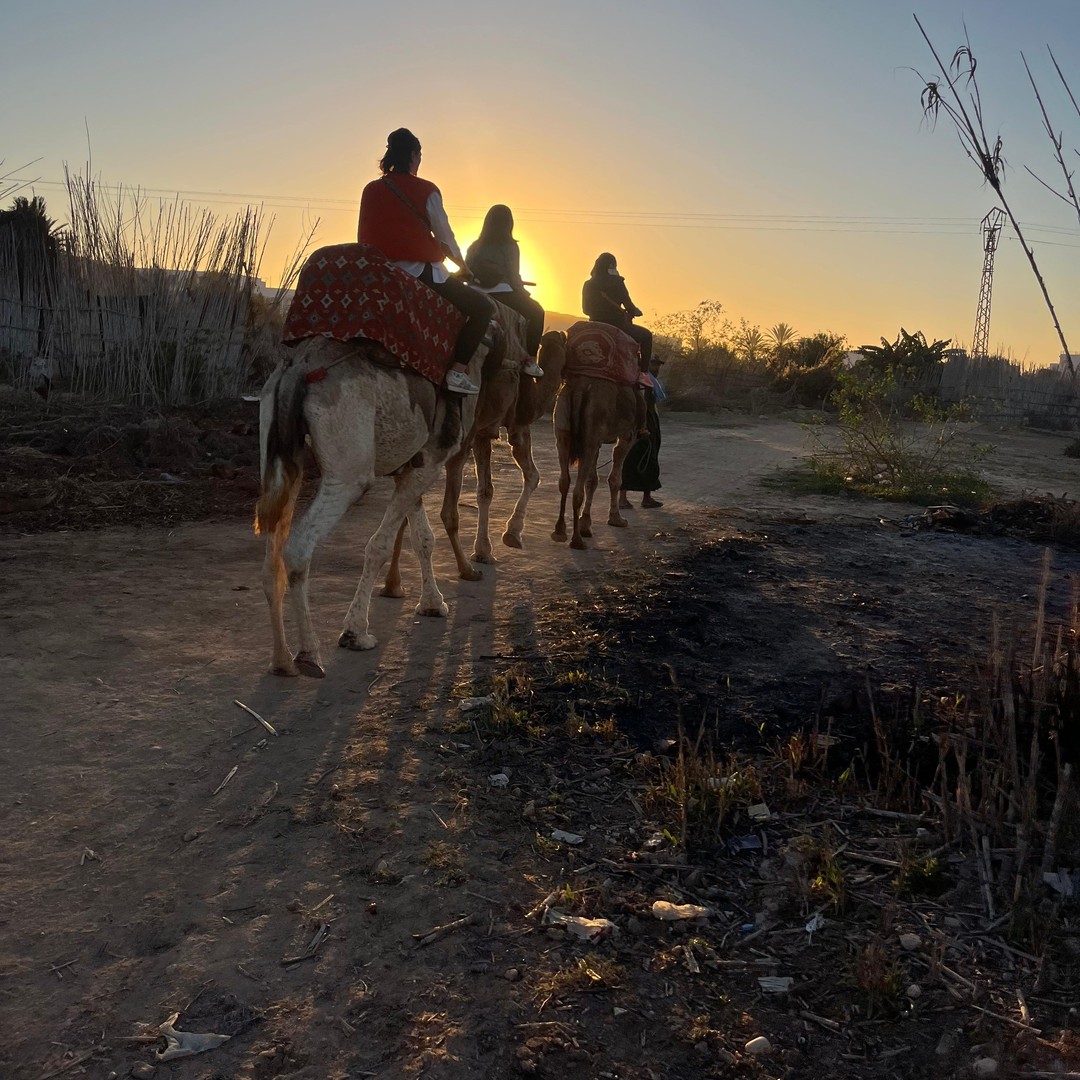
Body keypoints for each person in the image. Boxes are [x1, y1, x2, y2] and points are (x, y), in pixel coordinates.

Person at [358, 128, 493, 395]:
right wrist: (463, 266)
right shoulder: (426, 190)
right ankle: (457, 372)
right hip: (418, 273)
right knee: (482, 308)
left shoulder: (371, 189)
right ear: (413, 155)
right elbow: (445, 236)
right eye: (419, 155)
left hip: (378, 274)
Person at [466, 205, 544, 378]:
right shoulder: (510, 246)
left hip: (475, 290)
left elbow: (467, 269)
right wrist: (524, 294)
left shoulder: (475, 245)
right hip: (503, 292)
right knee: (537, 312)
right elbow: (514, 277)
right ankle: (531, 361)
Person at [582, 252, 653, 379]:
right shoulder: (617, 282)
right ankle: (644, 373)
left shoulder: (588, 284)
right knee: (647, 336)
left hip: (593, 325)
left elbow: (585, 310)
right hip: (617, 325)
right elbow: (629, 306)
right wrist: (634, 311)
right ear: (611, 265)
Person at [620, 353, 666, 509]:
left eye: (658, 365)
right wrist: (643, 425)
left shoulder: (649, 381)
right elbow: (642, 404)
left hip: (650, 419)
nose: (657, 368)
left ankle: (645, 496)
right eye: (654, 364)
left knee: (648, 458)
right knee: (634, 457)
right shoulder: (642, 381)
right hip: (643, 421)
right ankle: (624, 498)